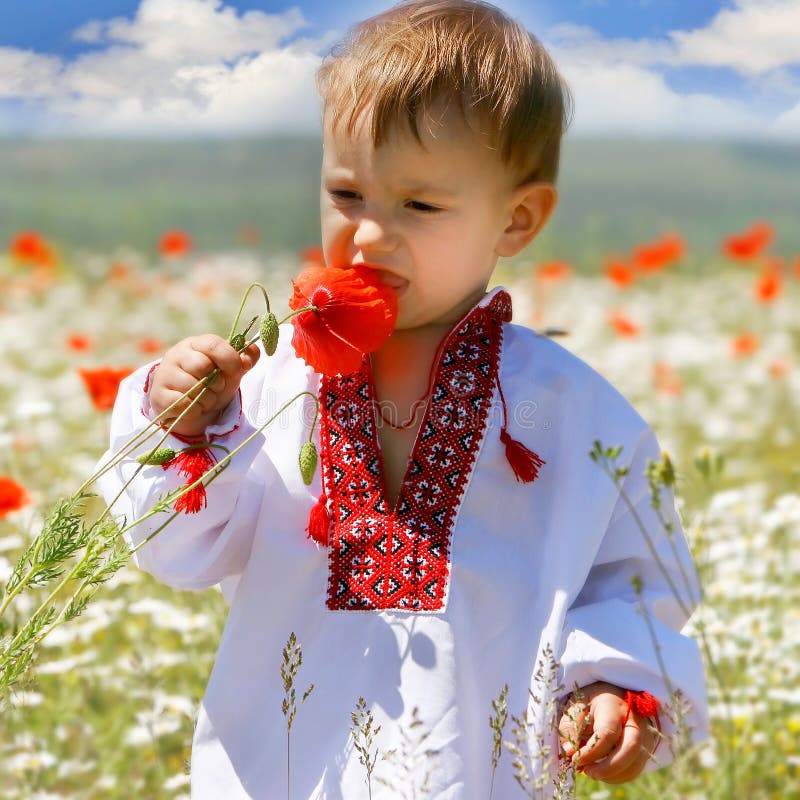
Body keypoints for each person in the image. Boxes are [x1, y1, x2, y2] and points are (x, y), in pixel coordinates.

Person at [95, 1, 709, 797]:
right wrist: (184, 426)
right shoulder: (272, 379)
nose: (369, 235)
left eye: (418, 206)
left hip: (476, 769)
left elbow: (636, 579)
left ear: (516, 219)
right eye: (348, 195)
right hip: (277, 768)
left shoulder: (569, 413)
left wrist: (611, 688)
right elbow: (178, 553)